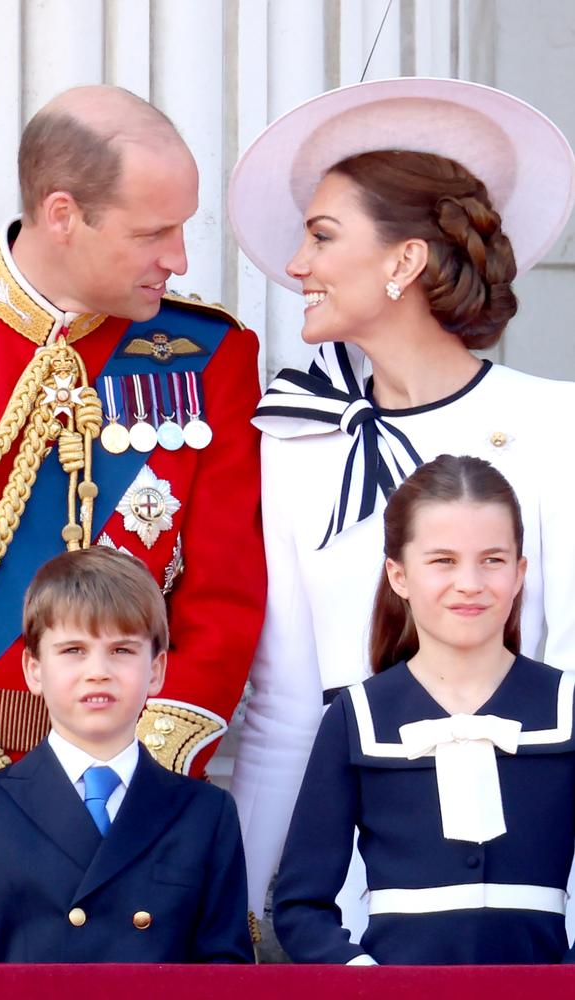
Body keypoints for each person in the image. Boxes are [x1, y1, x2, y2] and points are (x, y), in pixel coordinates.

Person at [227, 77, 575, 928]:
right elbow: (282, 710)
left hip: (524, 890)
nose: (297, 265)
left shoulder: (554, 425)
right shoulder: (295, 440)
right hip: (347, 898)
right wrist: (238, 914)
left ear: (404, 261)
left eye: (321, 237)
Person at [0, 85, 266, 880]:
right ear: (63, 214)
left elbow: (226, 598)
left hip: (124, 817)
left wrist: (122, 783)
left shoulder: (207, 355)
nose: (179, 257)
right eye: (154, 232)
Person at [273, 454, 575, 965]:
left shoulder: (566, 706)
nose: (470, 583)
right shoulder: (356, 716)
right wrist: (365, 981)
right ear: (399, 575)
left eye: (493, 560)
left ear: (520, 572)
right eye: (443, 561)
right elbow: (302, 907)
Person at [0, 547, 254, 963]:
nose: (97, 670)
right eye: (73, 650)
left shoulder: (206, 813)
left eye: (121, 650)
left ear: (156, 671)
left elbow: (224, 973)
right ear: (34, 670)